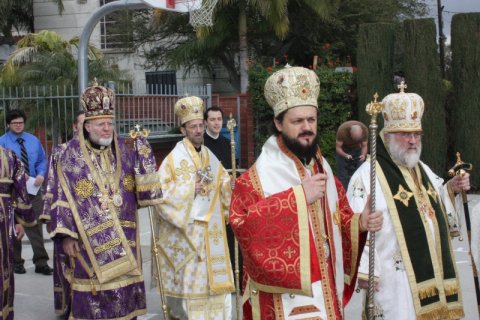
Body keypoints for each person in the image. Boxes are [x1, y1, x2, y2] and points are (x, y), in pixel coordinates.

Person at [229, 65, 382, 319]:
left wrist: (359, 223)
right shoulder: (254, 179)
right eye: (297, 121)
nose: (307, 128)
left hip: (325, 292)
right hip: (280, 302)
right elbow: (242, 226)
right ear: (278, 123)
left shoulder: (323, 167)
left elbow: (339, 218)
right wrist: (297, 198)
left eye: (311, 120)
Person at [347, 83, 469, 319]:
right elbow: (353, 223)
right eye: (406, 134)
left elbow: (438, 200)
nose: (413, 141)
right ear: (388, 136)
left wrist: (452, 189)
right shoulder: (367, 176)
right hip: (393, 282)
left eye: (416, 134)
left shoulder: (421, 168)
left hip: (432, 275)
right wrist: (365, 273)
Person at [46, 81, 162, 319]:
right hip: (89, 246)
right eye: (101, 124)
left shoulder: (124, 152)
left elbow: (145, 193)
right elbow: (61, 196)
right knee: (94, 305)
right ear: (87, 127)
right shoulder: (70, 157)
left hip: (127, 240)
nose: (107, 128)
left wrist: (145, 159)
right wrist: (67, 236)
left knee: (126, 306)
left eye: (110, 123)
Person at [154, 96, 234, 319]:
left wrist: (232, 192)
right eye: (193, 126)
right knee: (191, 293)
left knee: (214, 289)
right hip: (188, 236)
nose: (198, 130)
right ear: (183, 129)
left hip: (211, 235)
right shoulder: (172, 159)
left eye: (200, 125)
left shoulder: (209, 156)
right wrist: (190, 188)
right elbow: (160, 194)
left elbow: (223, 183)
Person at [40, 109, 85, 316]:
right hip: (66, 218)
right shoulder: (60, 151)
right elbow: (51, 183)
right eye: (82, 123)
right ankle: (67, 308)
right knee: (67, 265)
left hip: (92, 219)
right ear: (75, 126)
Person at [0, 109, 53, 275]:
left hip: (33, 191)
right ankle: (16, 261)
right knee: (14, 227)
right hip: (12, 192)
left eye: (21, 123)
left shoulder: (33, 140)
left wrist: (40, 174)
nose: (18, 125)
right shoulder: (2, 142)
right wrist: (17, 173)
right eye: (14, 123)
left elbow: (41, 160)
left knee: (35, 225)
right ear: (8, 124)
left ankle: (41, 262)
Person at [203, 106, 243, 304]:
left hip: (228, 200)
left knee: (231, 237)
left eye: (219, 119)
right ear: (205, 122)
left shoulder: (229, 143)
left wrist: (235, 180)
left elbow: (234, 170)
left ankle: (235, 280)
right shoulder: (201, 144)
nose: (217, 123)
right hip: (209, 200)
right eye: (212, 119)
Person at [0, 145, 35, 319]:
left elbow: (19, 190)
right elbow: (20, 192)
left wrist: (20, 221)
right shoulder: (10, 156)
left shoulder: (10, 157)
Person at [335, 120, 368, 189]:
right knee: (342, 176)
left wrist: (363, 155)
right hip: (343, 151)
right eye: (354, 138)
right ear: (350, 133)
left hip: (358, 150)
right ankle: (344, 194)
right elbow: (338, 148)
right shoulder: (342, 130)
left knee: (360, 172)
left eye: (358, 139)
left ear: (361, 132)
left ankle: (358, 192)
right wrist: (345, 155)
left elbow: (364, 146)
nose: (355, 141)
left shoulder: (364, 130)